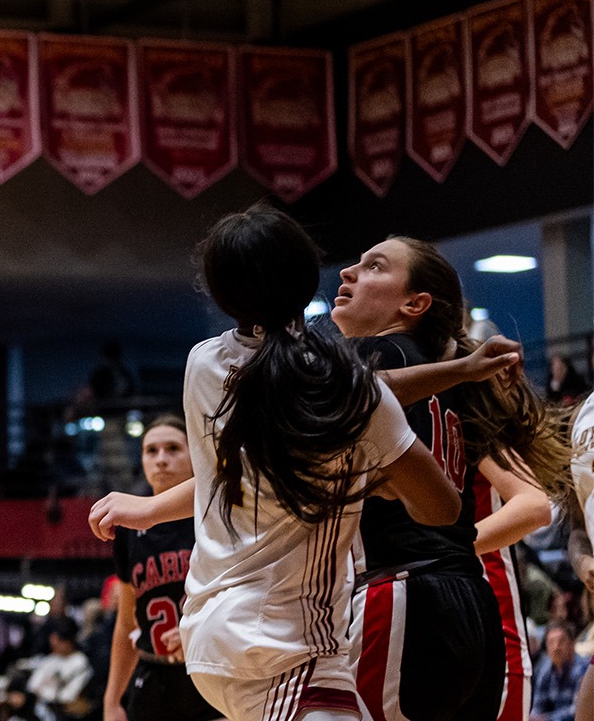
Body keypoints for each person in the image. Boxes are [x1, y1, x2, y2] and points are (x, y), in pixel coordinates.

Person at [89, 205, 467, 721]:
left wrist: (151, 509)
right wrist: (371, 476)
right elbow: (441, 509)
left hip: (206, 632)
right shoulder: (350, 389)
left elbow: (238, 464)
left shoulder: (203, 363)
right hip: (287, 645)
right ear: (309, 279)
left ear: (221, 293)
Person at [330, 236, 571, 721]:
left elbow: (533, 505)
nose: (346, 272)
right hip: (473, 602)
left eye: (374, 266)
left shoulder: (375, 356)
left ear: (414, 303)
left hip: (406, 591)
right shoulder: (456, 384)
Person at [103, 416, 218, 721]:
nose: (161, 459)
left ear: (195, 456)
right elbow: (126, 623)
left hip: (210, 671)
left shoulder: (214, 517)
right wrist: (112, 699)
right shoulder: (128, 528)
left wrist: (196, 630)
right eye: (151, 451)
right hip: (153, 674)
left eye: (173, 449)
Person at [27, 622, 95, 717]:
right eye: (52, 644)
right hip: (39, 708)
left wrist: (46, 693)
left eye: (57, 643)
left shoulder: (80, 662)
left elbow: (68, 696)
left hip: (62, 712)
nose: (53, 647)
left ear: (68, 642)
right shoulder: (51, 659)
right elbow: (32, 685)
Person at [530, 624, 586, 721]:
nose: (556, 647)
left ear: (572, 643)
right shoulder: (545, 670)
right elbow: (538, 706)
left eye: (561, 641)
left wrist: (547, 719)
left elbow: (578, 710)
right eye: (551, 642)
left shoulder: (582, 669)